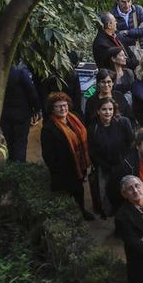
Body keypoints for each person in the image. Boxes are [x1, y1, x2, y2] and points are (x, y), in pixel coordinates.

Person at [40, 92, 94, 220]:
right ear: (52, 109)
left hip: (79, 165)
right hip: (63, 169)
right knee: (67, 194)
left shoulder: (74, 118)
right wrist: (56, 169)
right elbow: (48, 154)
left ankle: (81, 211)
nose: (63, 109)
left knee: (79, 191)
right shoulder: (49, 128)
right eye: (59, 106)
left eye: (65, 105)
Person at [86, 97, 135, 217]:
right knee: (106, 192)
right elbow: (92, 151)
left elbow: (131, 143)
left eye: (110, 109)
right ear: (98, 111)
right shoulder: (93, 128)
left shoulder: (123, 122)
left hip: (124, 165)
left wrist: (125, 162)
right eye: (104, 109)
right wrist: (105, 165)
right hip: (105, 168)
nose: (107, 112)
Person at [0, 60, 41, 162]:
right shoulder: (20, 72)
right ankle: (19, 166)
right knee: (20, 141)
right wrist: (37, 109)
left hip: (4, 113)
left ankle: (11, 162)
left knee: (9, 140)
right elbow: (31, 92)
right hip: (21, 113)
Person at [109, 0, 143, 66]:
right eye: (123, 2)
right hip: (124, 56)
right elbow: (116, 37)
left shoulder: (138, 10)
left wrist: (127, 32)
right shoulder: (112, 15)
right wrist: (138, 31)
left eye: (129, 1)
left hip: (141, 52)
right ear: (117, 1)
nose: (127, 5)